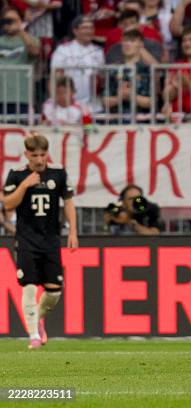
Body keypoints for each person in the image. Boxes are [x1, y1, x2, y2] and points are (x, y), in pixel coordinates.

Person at [3, 133, 78, 349]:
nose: (39, 159)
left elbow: (69, 203)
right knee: (28, 287)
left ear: (47, 154)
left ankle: (37, 319)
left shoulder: (58, 173)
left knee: (54, 292)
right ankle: (34, 335)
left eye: (42, 154)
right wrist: (25, 185)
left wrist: (73, 231)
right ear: (26, 154)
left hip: (51, 239)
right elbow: (8, 204)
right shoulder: (17, 175)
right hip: (26, 239)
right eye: (34, 155)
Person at [50, 16, 105, 106]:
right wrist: (55, 100)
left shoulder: (99, 51)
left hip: (94, 105)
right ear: (75, 31)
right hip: (69, 104)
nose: (89, 31)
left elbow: (102, 77)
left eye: (91, 28)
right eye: (85, 28)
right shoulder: (63, 50)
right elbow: (55, 76)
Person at [0, 7, 41, 118]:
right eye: (7, 20)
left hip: (21, 96)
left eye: (15, 20)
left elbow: (35, 51)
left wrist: (20, 30)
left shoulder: (31, 39)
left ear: (21, 21)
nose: (11, 23)